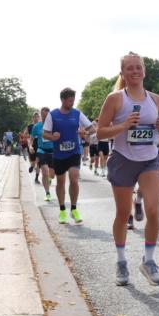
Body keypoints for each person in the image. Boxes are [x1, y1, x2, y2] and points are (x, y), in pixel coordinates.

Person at [95, 52, 159, 287]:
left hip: (149, 159)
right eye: (130, 69)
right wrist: (124, 125)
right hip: (124, 159)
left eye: (138, 68)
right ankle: (121, 261)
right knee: (123, 213)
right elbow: (101, 132)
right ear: (123, 73)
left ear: (144, 71)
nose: (135, 72)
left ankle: (149, 260)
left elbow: (155, 128)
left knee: (153, 210)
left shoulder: (155, 99)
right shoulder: (115, 99)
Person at [43, 88, 95, 225]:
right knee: (60, 182)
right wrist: (53, 137)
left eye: (73, 100)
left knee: (74, 177)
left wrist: (85, 132)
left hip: (74, 152)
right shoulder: (53, 115)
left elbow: (92, 128)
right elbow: (45, 133)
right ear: (63, 100)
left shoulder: (77, 114)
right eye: (70, 100)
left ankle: (74, 208)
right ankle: (62, 210)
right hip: (59, 154)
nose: (72, 103)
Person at [31, 107, 55, 202]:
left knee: (52, 175)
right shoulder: (37, 126)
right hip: (41, 150)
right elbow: (31, 138)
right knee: (45, 171)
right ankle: (47, 193)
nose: (44, 117)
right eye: (42, 115)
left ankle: (48, 179)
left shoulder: (54, 125)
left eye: (46, 115)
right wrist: (30, 146)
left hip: (53, 151)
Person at [26, 113, 40, 179]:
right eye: (35, 117)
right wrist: (30, 145)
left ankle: (37, 177)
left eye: (37, 117)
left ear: (39, 118)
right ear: (33, 118)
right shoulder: (30, 126)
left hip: (40, 144)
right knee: (33, 161)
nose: (36, 118)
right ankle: (32, 166)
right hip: (32, 143)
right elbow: (28, 136)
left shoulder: (41, 125)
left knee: (39, 161)